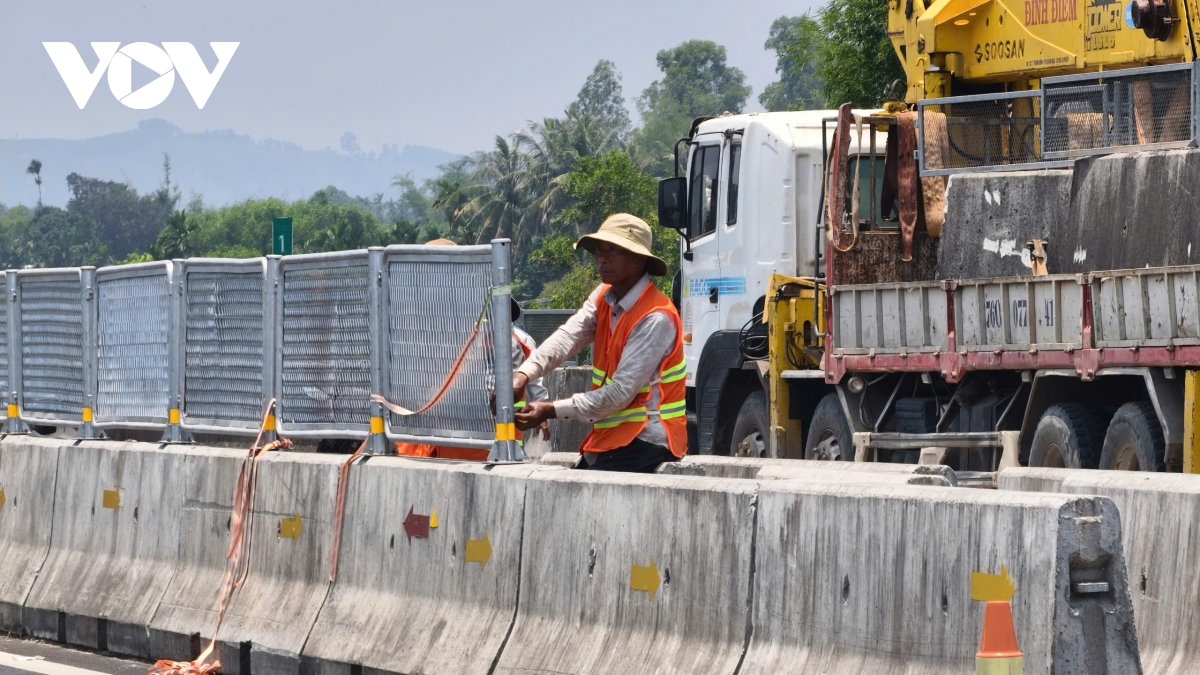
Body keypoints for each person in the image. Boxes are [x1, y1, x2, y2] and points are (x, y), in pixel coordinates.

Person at [512, 213, 687, 472]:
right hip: (611, 439)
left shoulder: (656, 317)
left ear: (639, 260)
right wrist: (523, 374)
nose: (601, 258)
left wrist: (550, 410)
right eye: (598, 250)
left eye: (612, 250)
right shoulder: (603, 296)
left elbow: (619, 393)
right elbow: (569, 337)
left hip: (647, 440)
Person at [395, 239, 548, 460]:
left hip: (484, 443)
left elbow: (525, 379)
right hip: (433, 442)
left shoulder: (505, 339)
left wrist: (541, 408)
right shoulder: (419, 327)